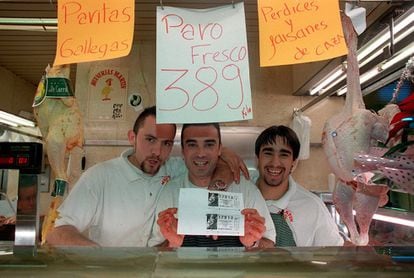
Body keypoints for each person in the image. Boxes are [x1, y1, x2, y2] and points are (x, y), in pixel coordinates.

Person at [45, 106, 247, 247]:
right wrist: (96, 253)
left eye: (166, 143)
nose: (157, 152)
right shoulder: (99, 177)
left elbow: (217, 164)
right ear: (132, 137)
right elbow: (56, 231)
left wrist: (223, 154)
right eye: (150, 140)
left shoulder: (175, 168)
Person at [149, 123, 275, 248]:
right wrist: (171, 244)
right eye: (192, 145)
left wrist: (253, 242)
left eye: (209, 144)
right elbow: (154, 253)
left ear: (220, 149)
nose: (201, 153)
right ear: (183, 151)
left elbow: (269, 245)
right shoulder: (171, 192)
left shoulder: (246, 190)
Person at [255, 125, 344, 247]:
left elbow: (334, 254)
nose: (275, 162)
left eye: (284, 155)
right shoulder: (241, 194)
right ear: (257, 159)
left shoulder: (313, 207)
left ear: (294, 163)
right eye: (268, 153)